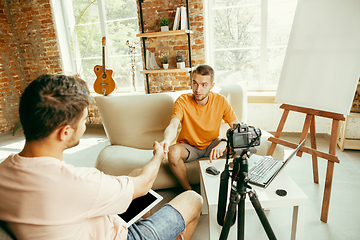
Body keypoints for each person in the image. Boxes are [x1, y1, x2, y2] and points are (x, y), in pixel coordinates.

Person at [0, 74, 203, 240]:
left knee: (134, 177)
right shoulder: (79, 182)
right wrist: (158, 156)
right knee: (193, 199)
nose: (85, 126)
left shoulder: (3, 172)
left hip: (86, 223)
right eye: (84, 120)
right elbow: (144, 183)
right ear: (65, 132)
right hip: (119, 235)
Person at [160, 65, 239, 191]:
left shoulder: (221, 101)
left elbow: (237, 128)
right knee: (173, 152)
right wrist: (167, 140)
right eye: (195, 83)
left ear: (212, 86)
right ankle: (189, 191)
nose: (198, 89)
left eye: (204, 85)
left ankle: (234, 187)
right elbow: (173, 125)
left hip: (212, 143)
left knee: (240, 148)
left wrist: (225, 142)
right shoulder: (182, 101)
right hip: (189, 146)